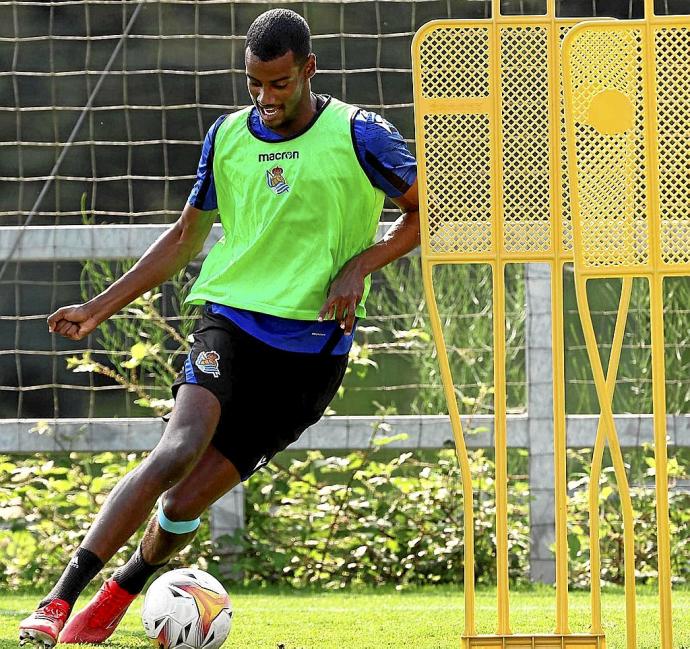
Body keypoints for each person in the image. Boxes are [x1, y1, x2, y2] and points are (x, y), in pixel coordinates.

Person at [18, 8, 419, 648]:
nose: (265, 98)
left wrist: (361, 265)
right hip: (228, 322)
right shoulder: (227, 136)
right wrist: (99, 308)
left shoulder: (361, 134)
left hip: (310, 355)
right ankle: (59, 600)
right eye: (254, 83)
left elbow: (430, 212)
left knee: (181, 508)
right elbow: (185, 238)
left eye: (279, 84)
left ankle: (118, 593)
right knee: (177, 449)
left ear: (308, 70)